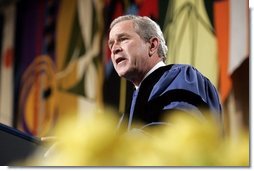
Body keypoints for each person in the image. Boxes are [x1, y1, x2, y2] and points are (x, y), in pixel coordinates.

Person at [108, 15, 223, 132]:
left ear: (152, 46)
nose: (114, 49)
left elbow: (180, 135)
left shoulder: (182, 77)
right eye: (111, 44)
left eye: (123, 39)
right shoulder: (126, 115)